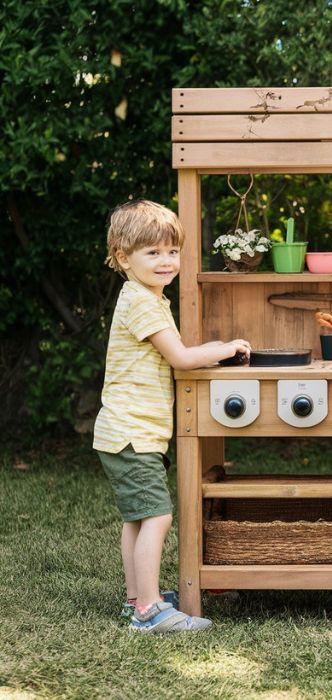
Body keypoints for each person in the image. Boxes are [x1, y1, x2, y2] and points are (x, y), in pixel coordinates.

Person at [93, 200, 251, 634]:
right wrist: (225, 348)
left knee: (138, 518)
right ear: (124, 257)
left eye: (172, 252)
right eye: (152, 253)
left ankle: (138, 600)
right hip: (132, 432)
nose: (166, 261)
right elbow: (180, 358)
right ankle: (148, 611)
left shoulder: (143, 298)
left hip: (126, 432)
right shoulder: (143, 303)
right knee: (158, 516)